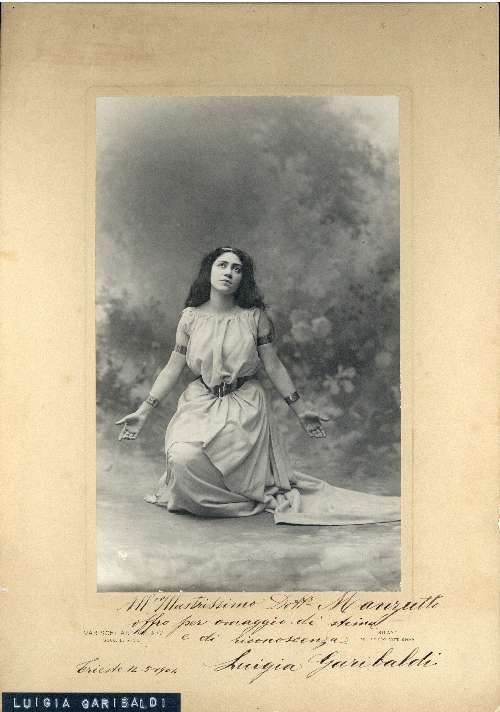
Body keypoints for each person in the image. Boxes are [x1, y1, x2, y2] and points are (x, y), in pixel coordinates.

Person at [115, 247, 400, 525]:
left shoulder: (254, 317)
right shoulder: (190, 317)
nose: (229, 272)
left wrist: (301, 411)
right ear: (208, 271)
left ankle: (238, 495)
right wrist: (143, 411)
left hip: (244, 407)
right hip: (200, 402)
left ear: (243, 278)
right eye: (222, 265)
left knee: (223, 463)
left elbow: (273, 366)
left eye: (236, 269)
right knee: (181, 457)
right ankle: (219, 495)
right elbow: (172, 367)